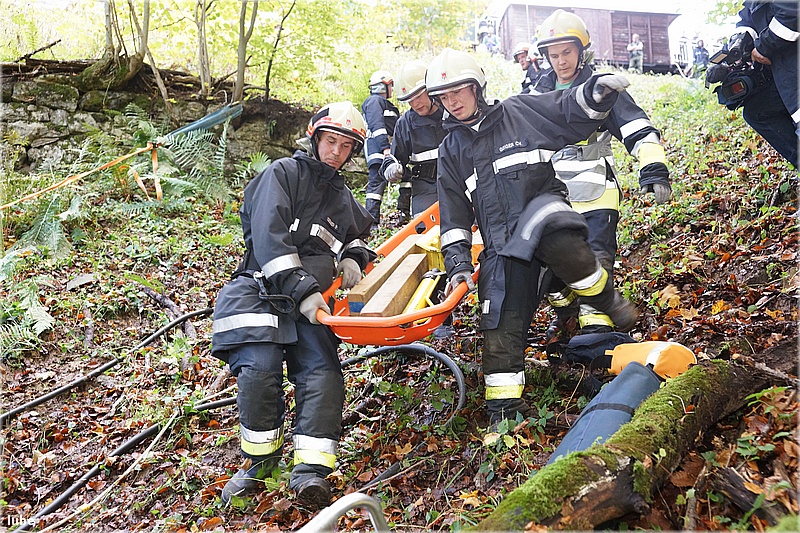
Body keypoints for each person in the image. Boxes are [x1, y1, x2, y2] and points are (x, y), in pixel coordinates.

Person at [425, 48, 639, 424]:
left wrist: (595, 93)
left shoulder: (519, 112)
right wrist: (458, 266)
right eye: (443, 97)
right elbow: (454, 217)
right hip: (503, 247)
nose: (452, 101)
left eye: (458, 91)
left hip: (545, 216)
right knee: (498, 322)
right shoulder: (451, 151)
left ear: (476, 87)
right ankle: (504, 410)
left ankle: (606, 299)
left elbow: (564, 109)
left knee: (558, 240)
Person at [212, 101, 376, 509]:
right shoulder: (282, 174)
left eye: (345, 146)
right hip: (263, 291)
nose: (336, 151)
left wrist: (354, 257)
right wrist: (301, 288)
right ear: (314, 137)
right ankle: (259, 466)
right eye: (331, 141)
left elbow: (356, 233)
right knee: (259, 371)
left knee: (322, 373)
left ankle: (310, 473)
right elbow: (269, 237)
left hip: (312, 303)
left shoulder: (341, 195)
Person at [531, 9, 671, 337]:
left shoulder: (602, 88)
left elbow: (636, 127)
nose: (561, 61)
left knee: (596, 259)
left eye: (567, 52)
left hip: (596, 190)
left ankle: (598, 329)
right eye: (554, 55)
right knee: (551, 262)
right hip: (552, 193)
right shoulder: (536, 94)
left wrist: (653, 168)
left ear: (581, 51)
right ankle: (566, 313)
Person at [379, 60, 454, 338]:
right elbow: (394, 158)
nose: (415, 103)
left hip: (458, 185)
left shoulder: (452, 110)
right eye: (409, 99)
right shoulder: (406, 124)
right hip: (425, 189)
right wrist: (391, 168)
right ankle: (438, 315)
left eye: (419, 95)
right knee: (429, 248)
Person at [734, 1, 798, 167]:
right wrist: (737, 46)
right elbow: (748, 19)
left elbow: (793, 14)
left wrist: (763, 47)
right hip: (787, 74)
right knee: (758, 110)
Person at [362, 70, 404, 228]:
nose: (392, 89)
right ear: (382, 86)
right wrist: (385, 148)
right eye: (390, 86)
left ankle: (403, 212)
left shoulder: (385, 104)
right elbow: (377, 126)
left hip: (386, 150)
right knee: (377, 182)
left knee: (403, 175)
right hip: (378, 149)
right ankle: (371, 223)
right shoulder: (374, 102)